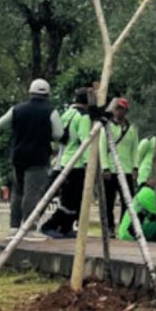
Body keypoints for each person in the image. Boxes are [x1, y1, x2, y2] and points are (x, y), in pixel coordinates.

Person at [0, 78, 65, 238]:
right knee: (32, 193)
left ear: (30, 92)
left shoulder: (18, 109)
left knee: (18, 192)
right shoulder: (51, 111)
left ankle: (14, 227)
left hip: (18, 156)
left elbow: (1, 123)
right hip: (38, 157)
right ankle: (29, 228)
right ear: (48, 94)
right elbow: (58, 134)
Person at [42, 88, 92, 238]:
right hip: (76, 163)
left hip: (62, 160)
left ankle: (66, 227)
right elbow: (85, 141)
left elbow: (57, 137)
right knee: (73, 199)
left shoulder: (67, 113)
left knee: (67, 197)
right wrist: (89, 163)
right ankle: (51, 225)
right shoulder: (83, 117)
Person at [100, 97, 139, 233]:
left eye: (121, 109)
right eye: (117, 108)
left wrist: (135, 167)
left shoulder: (132, 129)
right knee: (108, 201)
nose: (119, 112)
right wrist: (105, 167)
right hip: (111, 168)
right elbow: (102, 148)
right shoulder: (107, 127)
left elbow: (135, 149)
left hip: (126, 169)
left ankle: (124, 226)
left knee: (127, 201)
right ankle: (109, 227)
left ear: (126, 111)